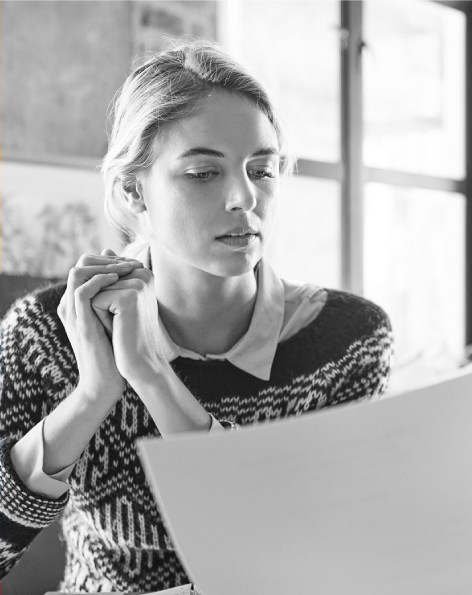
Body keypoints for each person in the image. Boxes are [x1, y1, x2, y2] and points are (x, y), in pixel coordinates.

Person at [0, 40, 393, 591]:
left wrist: (153, 377)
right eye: (204, 173)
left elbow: (306, 561)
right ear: (134, 191)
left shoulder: (348, 339)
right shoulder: (46, 334)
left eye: (263, 169)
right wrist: (91, 397)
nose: (244, 197)